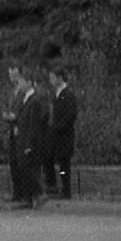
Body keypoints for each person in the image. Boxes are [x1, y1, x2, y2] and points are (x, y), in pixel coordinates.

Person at [14, 68, 49, 210]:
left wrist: (29, 144)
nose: (20, 84)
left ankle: (40, 193)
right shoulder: (26, 98)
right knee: (24, 168)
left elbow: (34, 124)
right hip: (23, 138)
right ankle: (28, 198)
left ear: (29, 82)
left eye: (22, 81)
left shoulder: (34, 100)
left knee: (29, 169)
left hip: (29, 141)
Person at [45, 67, 78, 199]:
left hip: (64, 136)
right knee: (48, 159)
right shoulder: (56, 94)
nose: (51, 81)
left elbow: (70, 115)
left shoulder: (68, 94)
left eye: (53, 78)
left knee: (64, 164)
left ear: (59, 78)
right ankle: (52, 186)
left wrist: (58, 126)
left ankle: (66, 190)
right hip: (55, 136)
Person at [2, 65, 25, 202]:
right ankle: (17, 192)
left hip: (19, 129)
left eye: (14, 75)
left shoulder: (23, 91)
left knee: (19, 162)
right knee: (13, 162)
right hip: (12, 129)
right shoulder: (13, 91)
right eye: (10, 75)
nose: (12, 78)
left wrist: (15, 117)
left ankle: (22, 193)